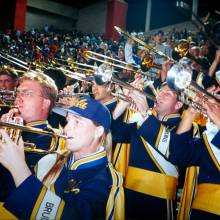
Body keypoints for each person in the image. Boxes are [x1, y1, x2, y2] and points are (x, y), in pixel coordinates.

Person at [0, 96, 124, 220]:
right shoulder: (50, 161)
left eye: (77, 122)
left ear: (98, 131)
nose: (66, 128)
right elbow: (16, 199)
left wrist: (17, 166)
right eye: (68, 121)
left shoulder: (108, 181)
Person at [111, 82, 186, 219]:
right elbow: (116, 134)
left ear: (178, 105)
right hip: (130, 194)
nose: (160, 95)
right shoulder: (143, 121)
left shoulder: (182, 126)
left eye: (167, 93)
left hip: (159, 200)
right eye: (160, 91)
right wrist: (123, 102)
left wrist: (146, 113)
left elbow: (177, 152)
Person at [0, 71, 58, 202]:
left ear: (45, 103)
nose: (18, 98)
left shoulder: (51, 143)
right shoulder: (10, 129)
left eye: (26, 93)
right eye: (18, 93)